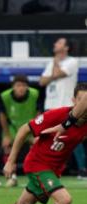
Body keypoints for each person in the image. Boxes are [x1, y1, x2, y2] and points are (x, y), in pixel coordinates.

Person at [39, 38, 83, 179]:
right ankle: (50, 168)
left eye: (58, 43)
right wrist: (54, 65)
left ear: (66, 48)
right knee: (50, 139)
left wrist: (56, 62)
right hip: (50, 106)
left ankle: (83, 169)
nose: (54, 44)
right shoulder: (51, 62)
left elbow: (57, 74)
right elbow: (42, 81)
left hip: (65, 106)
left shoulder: (72, 62)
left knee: (73, 137)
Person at [0, 75, 41, 187]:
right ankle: (11, 177)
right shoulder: (5, 96)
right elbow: (2, 116)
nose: (21, 88)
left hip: (30, 127)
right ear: (13, 87)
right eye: (18, 85)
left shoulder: (34, 94)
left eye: (24, 85)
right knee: (7, 147)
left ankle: (36, 177)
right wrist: (7, 135)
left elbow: (38, 114)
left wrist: (37, 133)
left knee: (38, 147)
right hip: (13, 127)